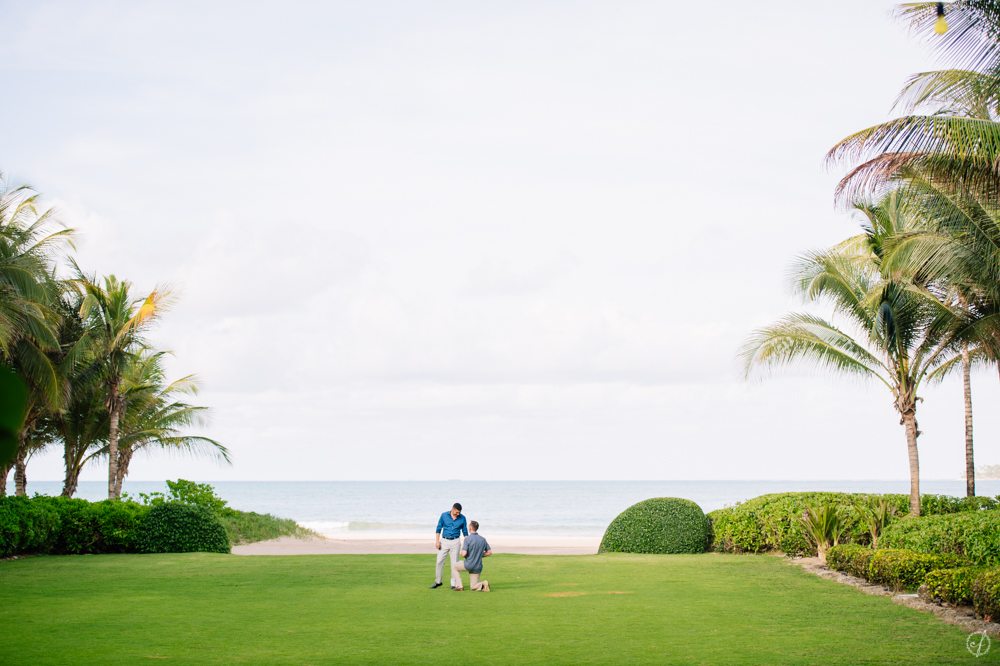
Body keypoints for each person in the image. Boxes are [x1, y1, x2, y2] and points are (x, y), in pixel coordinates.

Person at [430, 502, 468, 589]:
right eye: (457, 512)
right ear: (453, 509)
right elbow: (438, 528)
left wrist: (467, 544)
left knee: (454, 563)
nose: (458, 514)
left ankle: (453, 583)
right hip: (444, 541)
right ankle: (438, 581)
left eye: (459, 512)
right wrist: (437, 541)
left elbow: (465, 531)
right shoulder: (444, 515)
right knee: (439, 561)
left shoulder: (462, 518)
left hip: (456, 542)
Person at [451, 520, 491, 592]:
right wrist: (479, 555)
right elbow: (489, 552)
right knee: (473, 587)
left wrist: (462, 553)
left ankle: (459, 586)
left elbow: (463, 554)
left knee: (454, 567)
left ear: (470, 528)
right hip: (478, 567)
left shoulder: (468, 539)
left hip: (469, 565)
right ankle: (483, 584)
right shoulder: (483, 539)